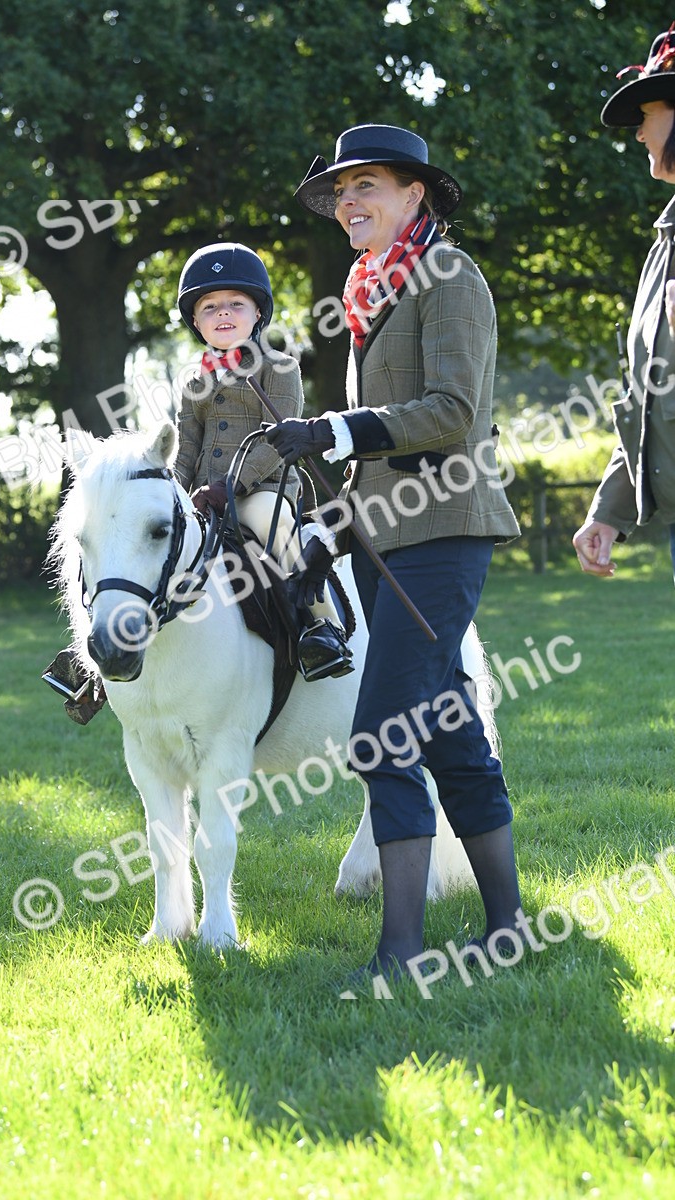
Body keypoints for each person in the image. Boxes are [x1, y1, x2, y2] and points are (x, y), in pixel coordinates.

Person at [264, 124, 527, 984]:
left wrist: (339, 428)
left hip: (446, 532)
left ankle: (400, 948)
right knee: (447, 728)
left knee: (381, 733)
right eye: (340, 191)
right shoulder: (369, 291)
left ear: (415, 194)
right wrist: (328, 512)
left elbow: (453, 409)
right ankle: (506, 926)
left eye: (365, 185)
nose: (347, 202)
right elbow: (375, 450)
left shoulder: (448, 276)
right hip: (381, 544)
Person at [174, 241, 352, 681]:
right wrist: (174, 493)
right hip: (201, 495)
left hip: (263, 487)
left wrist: (231, 486)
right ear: (196, 322)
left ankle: (321, 626)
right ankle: (109, 651)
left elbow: (277, 444)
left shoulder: (280, 367)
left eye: (236, 303)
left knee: (275, 526)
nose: (223, 313)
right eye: (210, 307)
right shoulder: (192, 379)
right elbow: (186, 447)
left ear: (258, 314)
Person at [573, 25, 675, 582]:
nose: (639, 134)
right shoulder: (663, 246)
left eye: (648, 114)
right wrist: (609, 512)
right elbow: (647, 395)